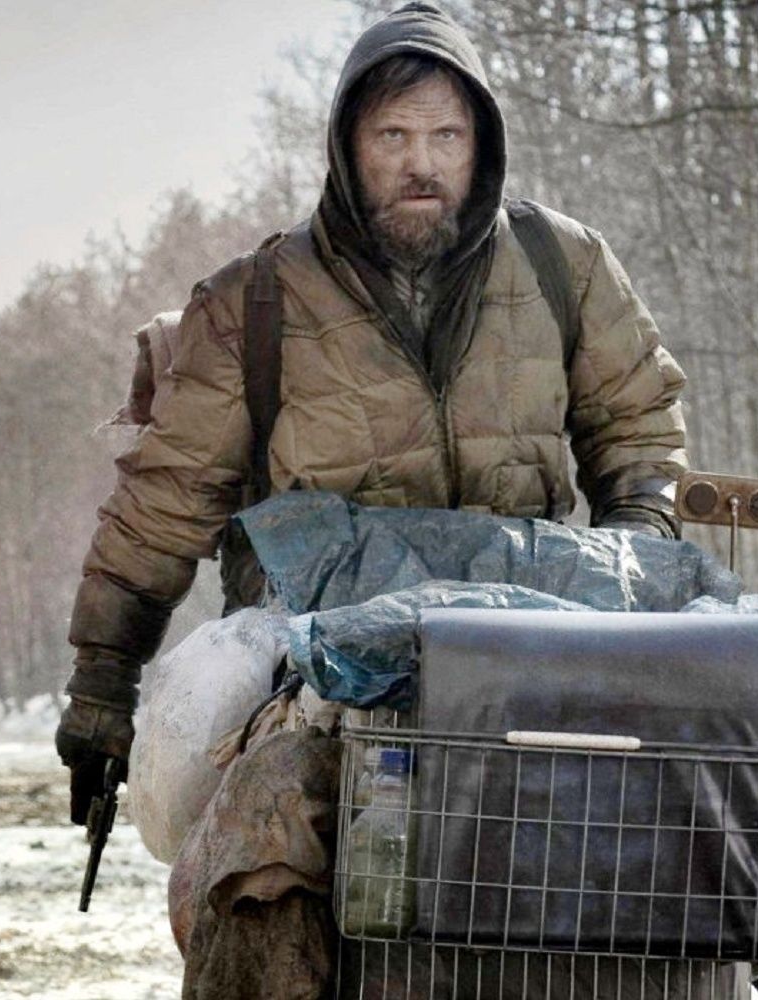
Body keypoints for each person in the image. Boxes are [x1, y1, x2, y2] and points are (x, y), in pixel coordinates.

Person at [55, 1, 689, 823]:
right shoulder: (253, 304)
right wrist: (103, 689)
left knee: (658, 844)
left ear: (482, 146)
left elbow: (638, 432)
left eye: (445, 138)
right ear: (347, 149)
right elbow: (162, 509)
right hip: (313, 673)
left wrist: (631, 558)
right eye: (392, 137)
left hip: (530, 646)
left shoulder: (563, 265)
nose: (420, 164)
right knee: (265, 862)